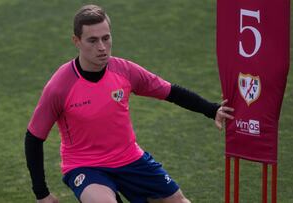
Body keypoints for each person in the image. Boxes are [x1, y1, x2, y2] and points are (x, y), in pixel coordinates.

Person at [25, 4, 234, 203]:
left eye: (106, 38)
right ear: (77, 41)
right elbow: (34, 137)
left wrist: (211, 109)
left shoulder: (124, 71)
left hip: (129, 158)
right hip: (85, 165)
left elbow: (171, 92)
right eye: (92, 40)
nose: (101, 47)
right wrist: (41, 193)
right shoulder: (60, 86)